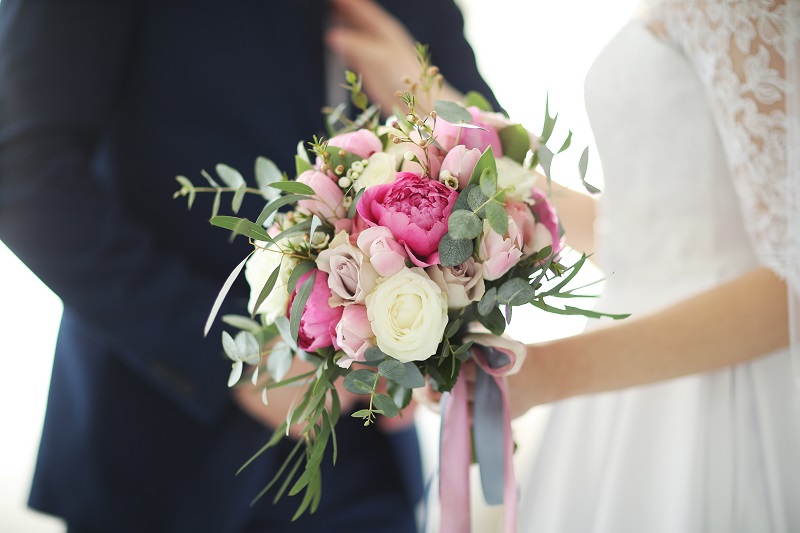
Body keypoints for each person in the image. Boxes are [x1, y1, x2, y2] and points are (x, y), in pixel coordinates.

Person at [0, 0, 499, 531]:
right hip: (163, 444)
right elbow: (22, 177)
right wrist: (229, 354)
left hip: (362, 445)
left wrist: (430, 99)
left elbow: (497, 182)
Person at [505, 1, 800, 531]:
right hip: (632, 376)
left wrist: (550, 372)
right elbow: (647, 241)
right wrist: (478, 172)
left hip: (722, 398)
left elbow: (793, 281)